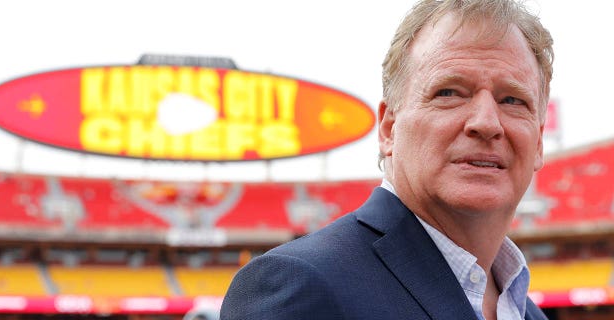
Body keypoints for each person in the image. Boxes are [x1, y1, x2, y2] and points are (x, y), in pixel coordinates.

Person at [220, 0, 553, 319]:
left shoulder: (528, 313)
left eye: (513, 100)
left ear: (538, 142)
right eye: (449, 93)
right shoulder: (300, 284)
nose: (486, 123)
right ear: (389, 128)